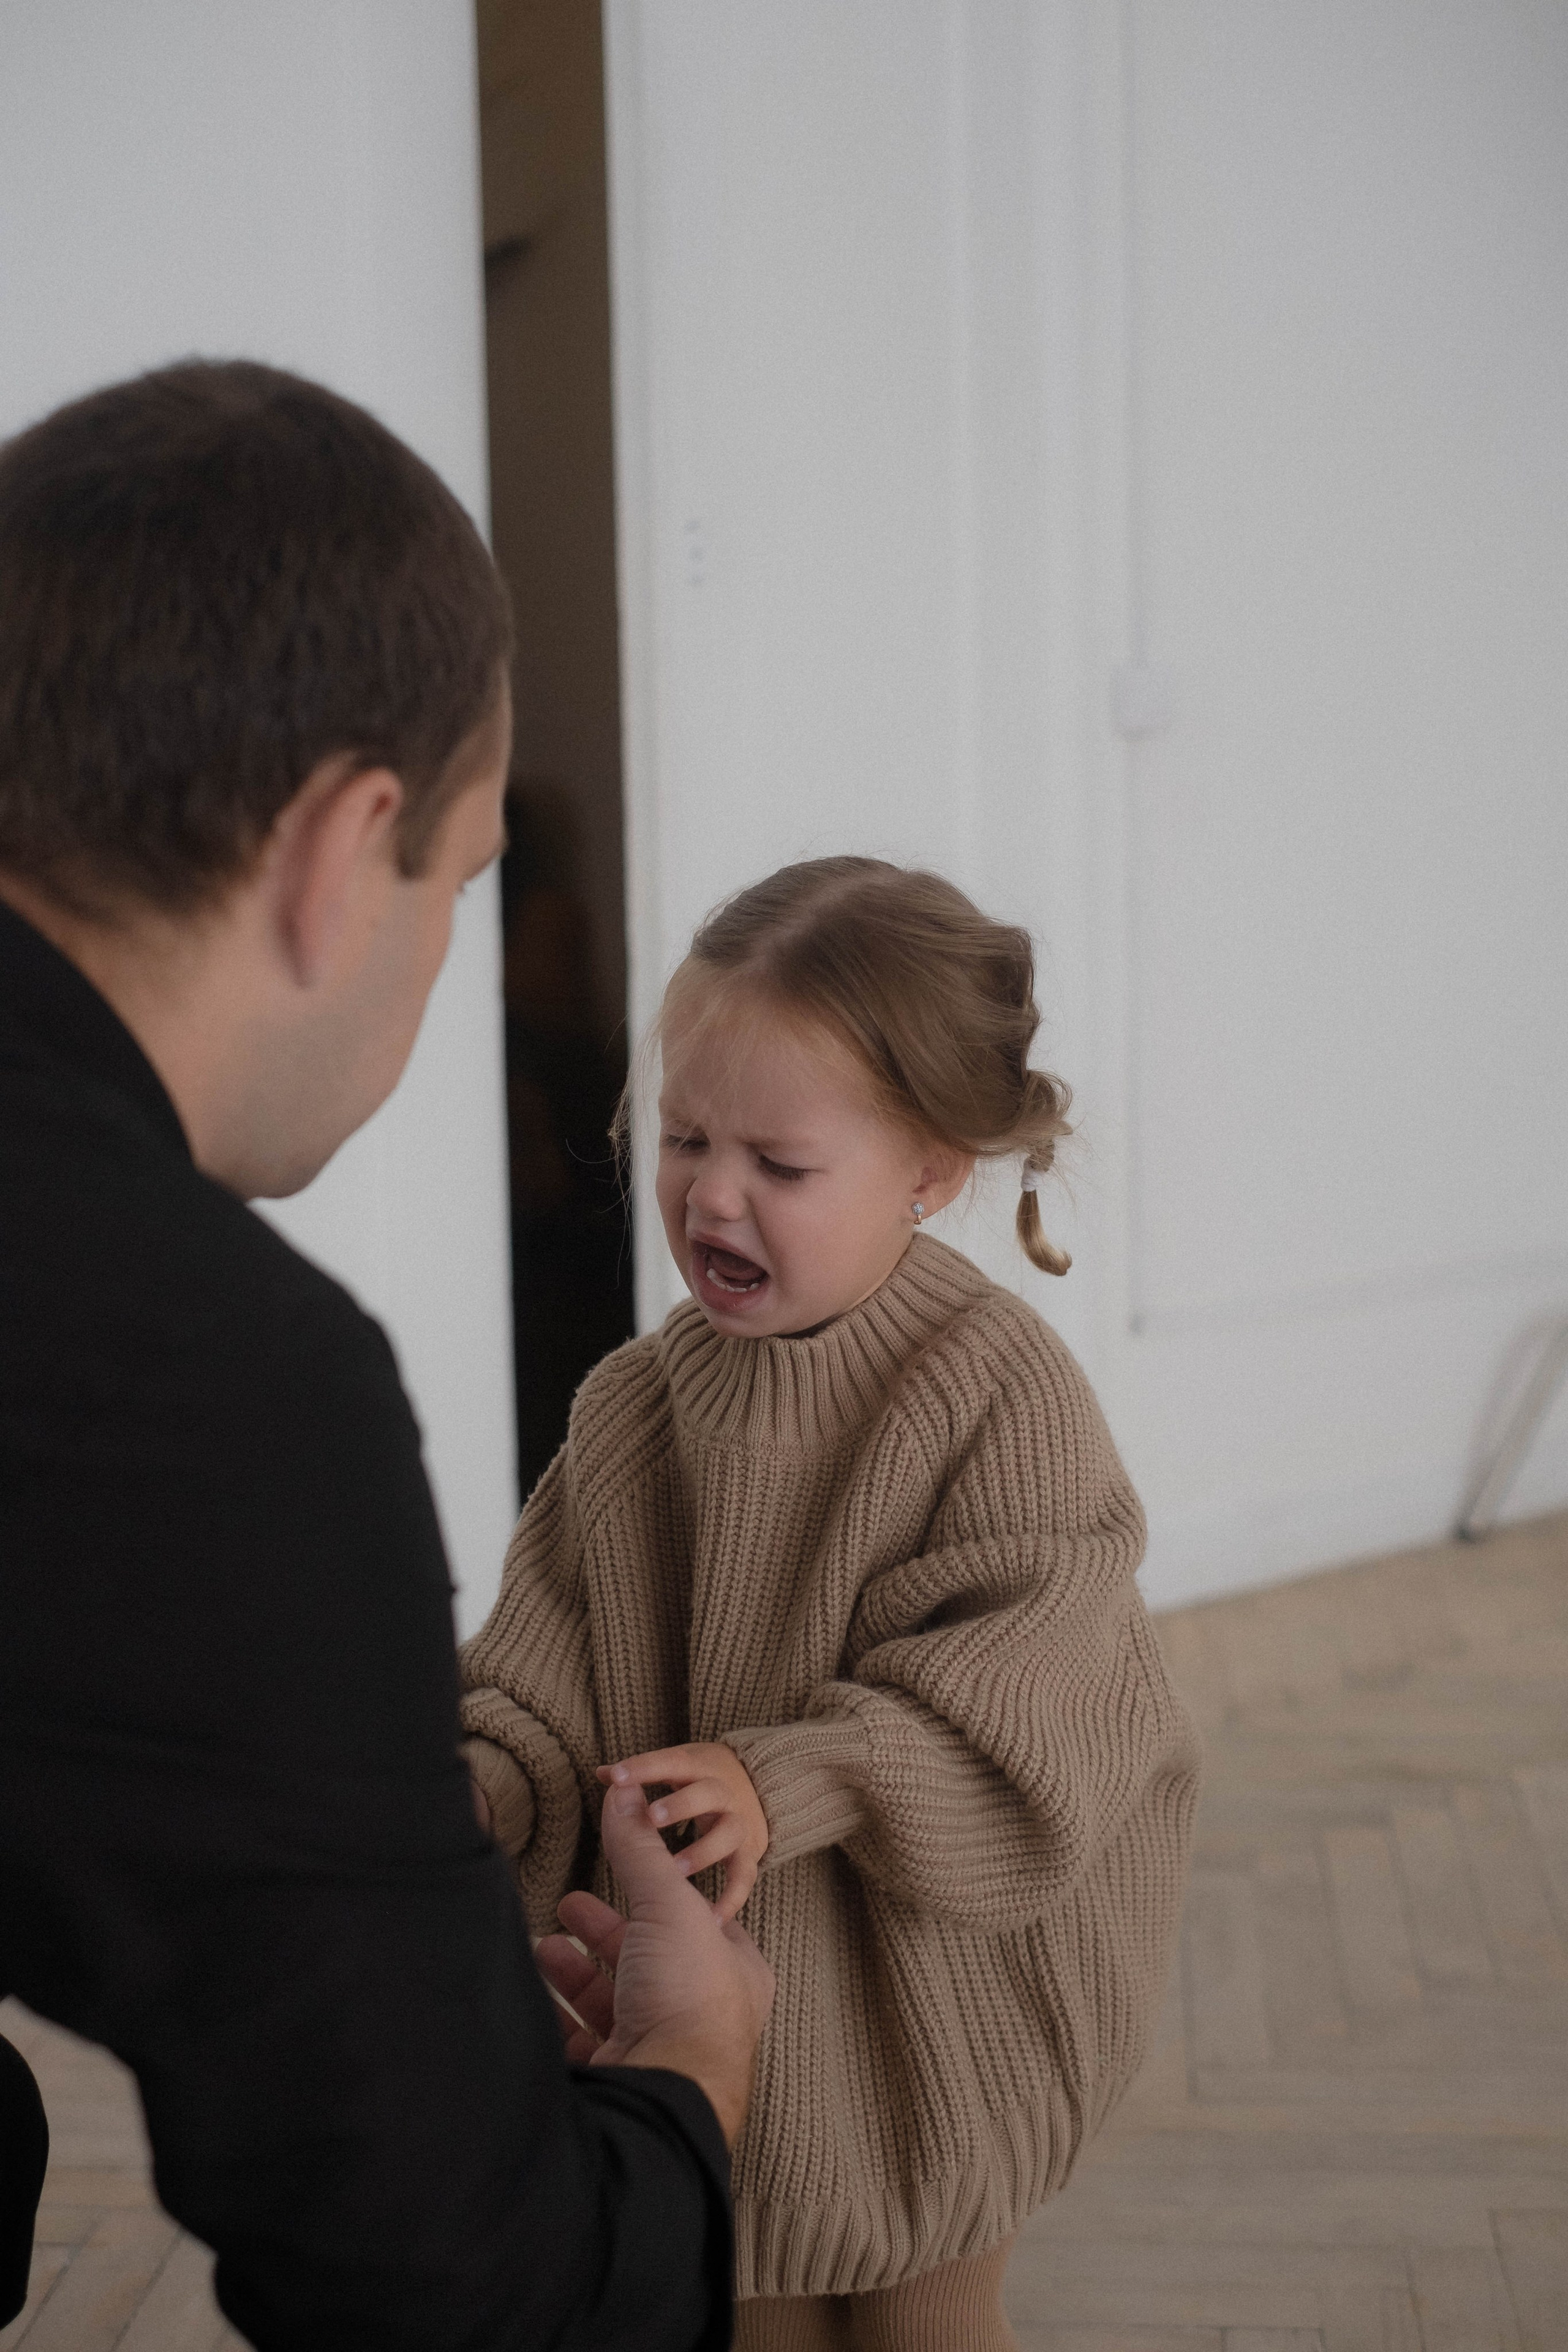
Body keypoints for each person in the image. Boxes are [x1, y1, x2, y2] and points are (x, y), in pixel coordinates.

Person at [0, 359, 772, 2351]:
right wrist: (690, 2081)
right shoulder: (203, 1380)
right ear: (348, 852)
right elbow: (472, 2299)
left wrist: (379, 1952)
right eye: (469, 868)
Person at [459, 857, 1202, 2351]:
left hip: (920, 2008)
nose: (709, 1194)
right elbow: (540, 1658)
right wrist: (478, 1780)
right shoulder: (630, 1407)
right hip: (709, 2015)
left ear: (928, 1169)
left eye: (778, 1166)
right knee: (741, 2301)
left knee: (925, 2315)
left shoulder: (992, 1393)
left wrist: (784, 1772)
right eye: (681, 1138)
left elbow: (1033, 1680)